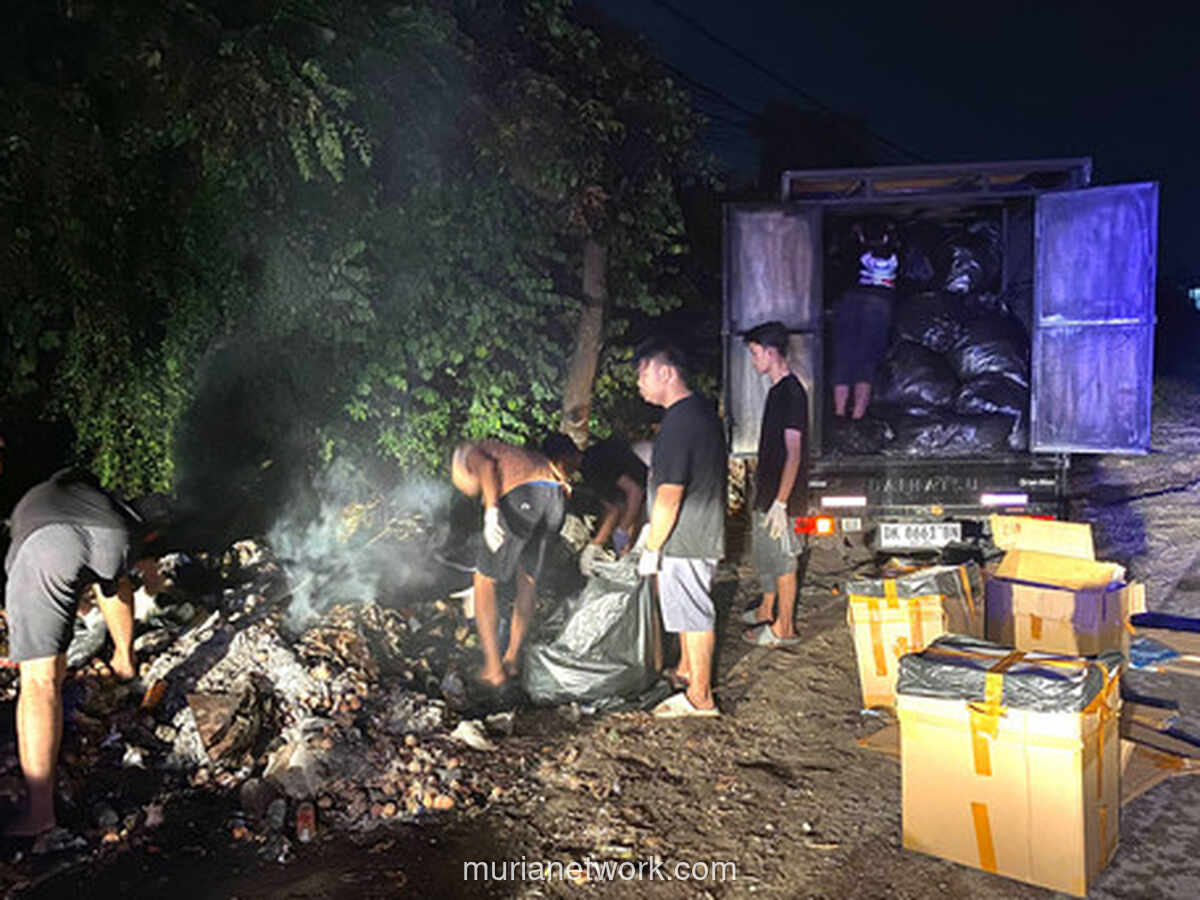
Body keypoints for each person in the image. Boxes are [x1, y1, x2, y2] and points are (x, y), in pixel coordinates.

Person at [3, 468, 169, 839]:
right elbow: (111, 583)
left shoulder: (44, 497)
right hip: (114, 536)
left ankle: (40, 814)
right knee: (112, 583)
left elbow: (50, 586)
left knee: (38, 682)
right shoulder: (109, 505)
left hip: (46, 546)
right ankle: (125, 663)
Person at [634, 338, 726, 718]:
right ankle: (688, 671)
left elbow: (670, 495)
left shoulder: (679, 424)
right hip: (696, 531)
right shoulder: (697, 415)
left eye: (643, 374)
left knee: (694, 614)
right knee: (688, 612)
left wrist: (652, 545)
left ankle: (700, 698)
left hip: (686, 535)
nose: (638, 384)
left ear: (666, 373)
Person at [450, 440, 569, 687]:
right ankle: (512, 660)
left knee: (483, 580)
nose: (468, 492)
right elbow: (558, 476)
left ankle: (493, 669)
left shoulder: (468, 453)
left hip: (524, 497)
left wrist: (491, 511)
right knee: (527, 582)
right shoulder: (513, 453)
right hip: (555, 499)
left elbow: (486, 467)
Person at [740, 321, 809, 647]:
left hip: (783, 497)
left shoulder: (792, 393)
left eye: (755, 353)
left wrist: (782, 503)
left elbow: (793, 454)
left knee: (784, 562)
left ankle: (785, 628)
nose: (753, 360)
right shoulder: (776, 391)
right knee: (767, 555)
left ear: (771, 352)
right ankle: (768, 611)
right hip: (768, 493)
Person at [542, 433, 647, 576]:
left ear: (563, 459)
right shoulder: (590, 463)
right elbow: (614, 508)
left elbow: (636, 492)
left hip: (661, 490)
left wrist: (621, 531)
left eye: (554, 467)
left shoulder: (595, 463)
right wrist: (598, 544)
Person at [832, 218, 899, 419]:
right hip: (880, 303)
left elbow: (840, 264)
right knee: (866, 361)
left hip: (851, 301)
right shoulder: (893, 254)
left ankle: (839, 414)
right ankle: (858, 416)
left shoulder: (856, 250)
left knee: (843, 359)